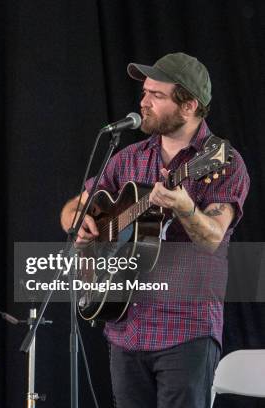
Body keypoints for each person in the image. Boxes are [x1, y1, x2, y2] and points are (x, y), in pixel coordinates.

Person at [60, 52, 249, 408]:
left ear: (189, 105)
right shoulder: (127, 158)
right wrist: (79, 221)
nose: (143, 102)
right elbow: (74, 207)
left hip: (185, 330)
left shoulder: (222, 161)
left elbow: (212, 237)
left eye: (155, 95)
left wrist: (184, 206)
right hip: (125, 328)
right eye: (144, 92)